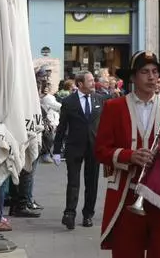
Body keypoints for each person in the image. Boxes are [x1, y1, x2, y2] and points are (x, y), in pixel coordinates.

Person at [95, 51, 160, 257]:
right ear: (132, 77)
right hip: (126, 197)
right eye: (145, 72)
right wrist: (129, 156)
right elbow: (101, 150)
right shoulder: (114, 107)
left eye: (155, 72)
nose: (151, 77)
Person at [52, 71, 105, 230]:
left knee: (92, 183)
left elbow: (105, 125)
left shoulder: (99, 99)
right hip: (74, 147)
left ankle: (88, 214)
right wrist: (56, 150)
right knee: (73, 182)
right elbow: (61, 127)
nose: (93, 83)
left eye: (93, 80)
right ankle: (69, 214)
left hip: (94, 148)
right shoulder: (69, 102)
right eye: (89, 81)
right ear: (80, 84)